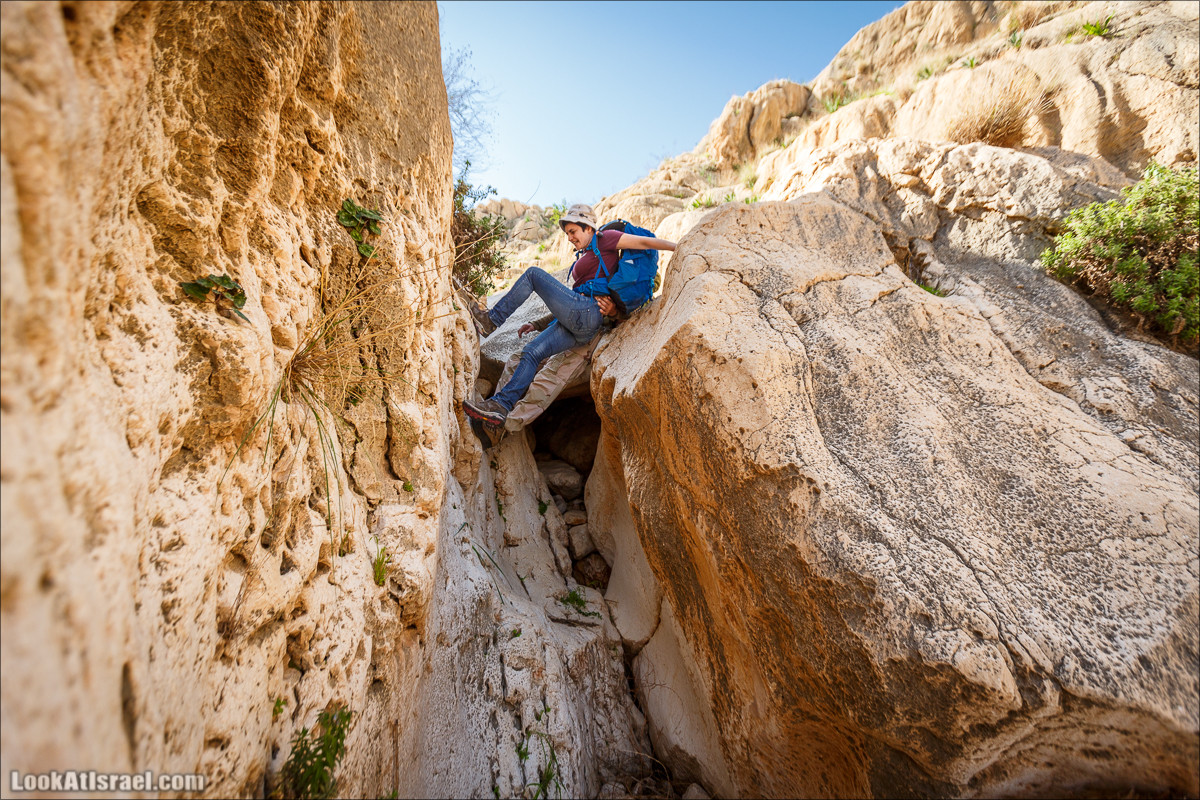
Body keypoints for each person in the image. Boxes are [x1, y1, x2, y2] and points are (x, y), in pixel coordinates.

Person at [463, 203, 676, 428]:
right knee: (531, 353)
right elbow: (569, 303)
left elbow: (645, 243)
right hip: (579, 322)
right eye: (567, 234)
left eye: (573, 231)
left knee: (533, 275)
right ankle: (500, 406)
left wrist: (677, 247)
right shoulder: (585, 253)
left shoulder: (605, 238)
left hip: (588, 312)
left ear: (588, 227)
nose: (570, 238)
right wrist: (537, 324)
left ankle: (491, 321)